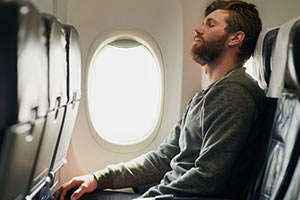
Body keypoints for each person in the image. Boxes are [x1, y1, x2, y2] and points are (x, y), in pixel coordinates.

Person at [54, 0, 264, 199]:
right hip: (168, 193)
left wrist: (148, 198)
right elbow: (163, 158)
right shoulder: (206, 95)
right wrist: (98, 179)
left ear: (235, 38)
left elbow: (209, 178)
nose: (198, 30)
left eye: (210, 24)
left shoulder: (235, 93)